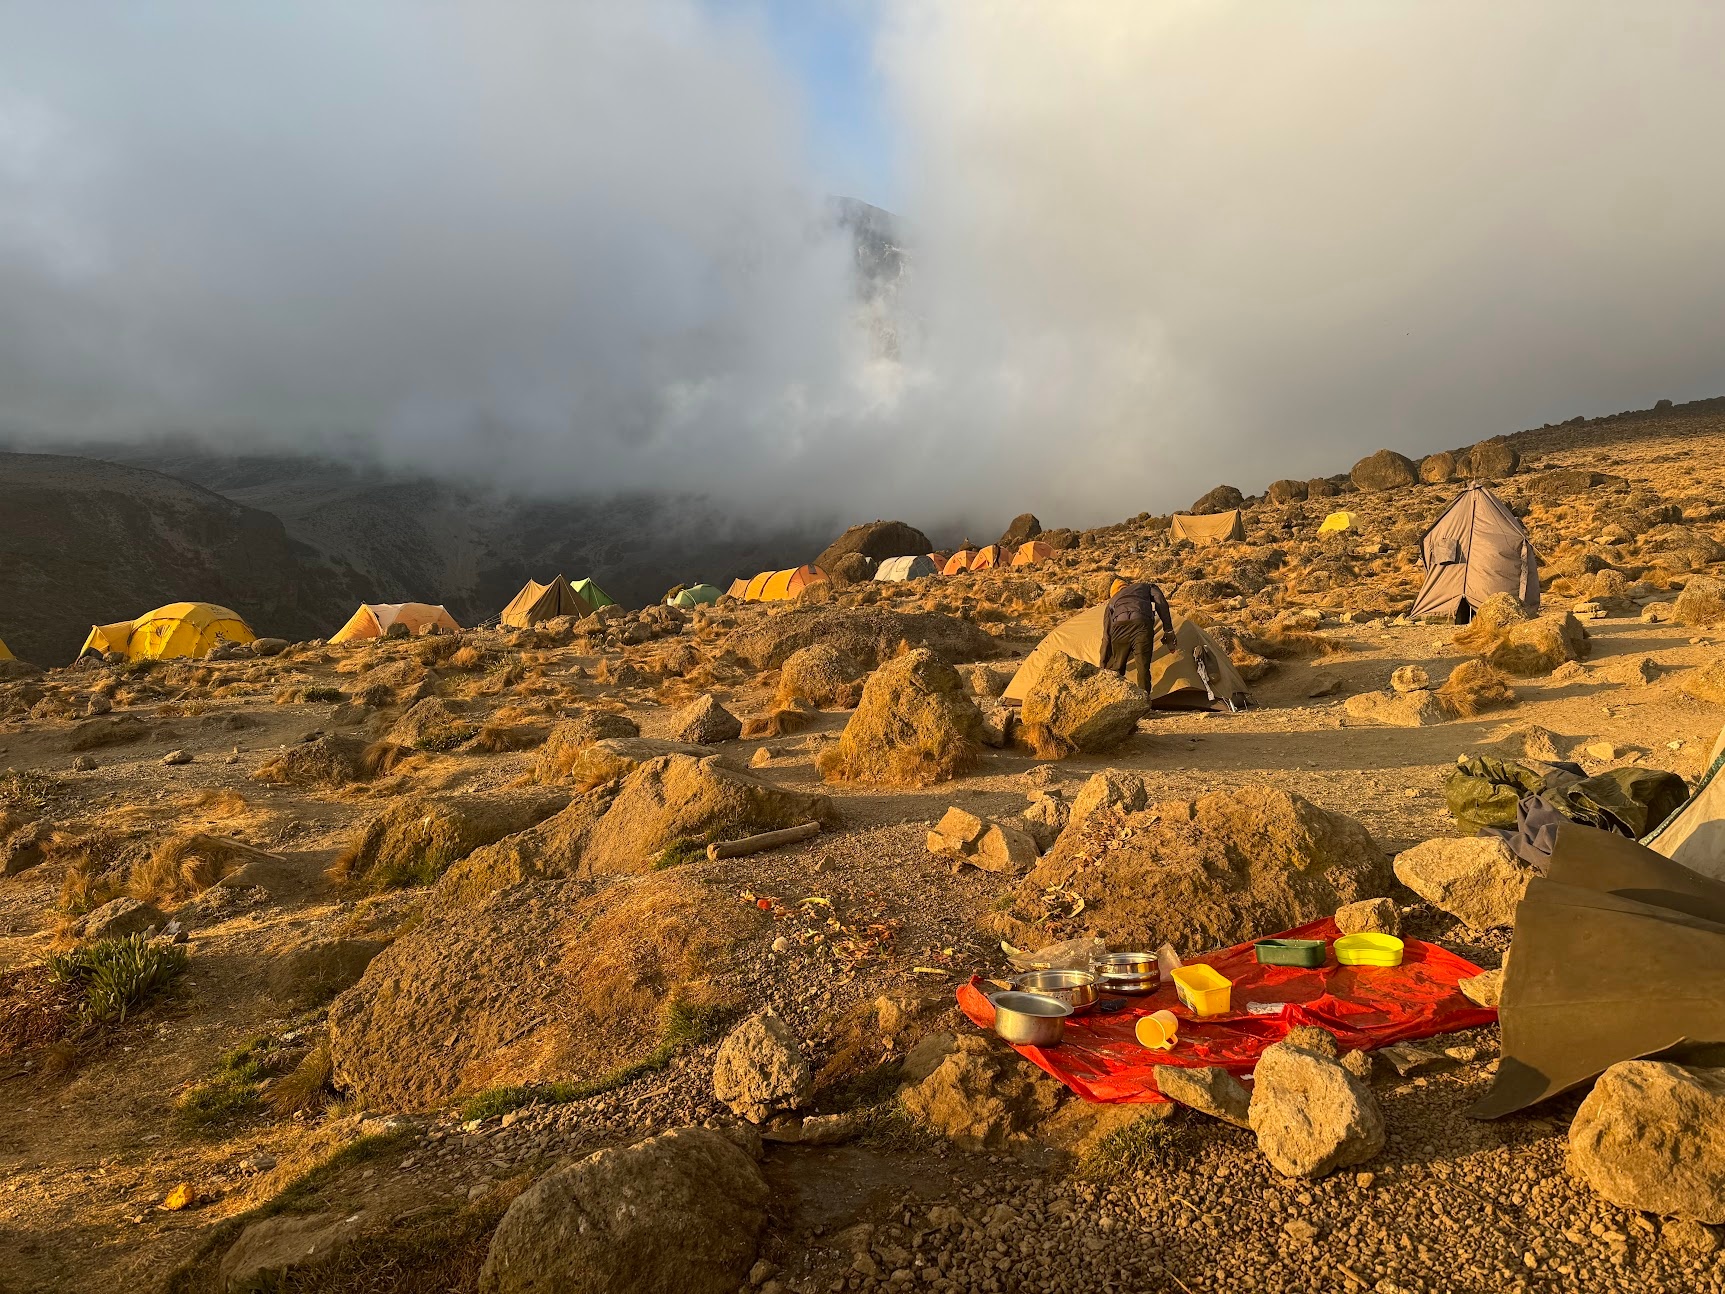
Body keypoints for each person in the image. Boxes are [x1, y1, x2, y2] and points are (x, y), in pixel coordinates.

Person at [1100, 576, 1178, 693]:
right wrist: (1168, 630)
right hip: (1142, 624)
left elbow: (1107, 635)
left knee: (1118, 667)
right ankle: (1144, 701)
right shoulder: (1145, 586)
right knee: (1143, 668)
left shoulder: (1112, 601)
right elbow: (1160, 602)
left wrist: (1102, 665)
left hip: (1119, 628)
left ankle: (1115, 699)